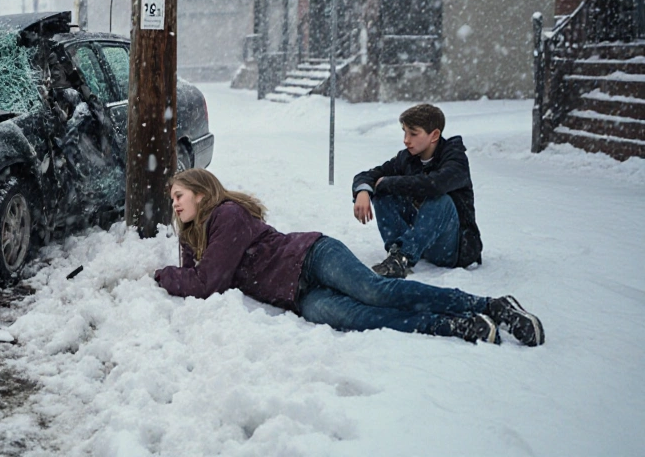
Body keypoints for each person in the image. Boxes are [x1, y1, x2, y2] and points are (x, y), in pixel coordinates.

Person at [154, 168, 543, 346]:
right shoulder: (194, 232)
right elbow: (199, 277)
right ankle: (456, 326)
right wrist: (182, 264)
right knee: (359, 318)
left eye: (179, 197)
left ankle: (491, 305)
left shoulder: (227, 215)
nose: (174, 204)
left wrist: (162, 276)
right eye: (172, 198)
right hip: (295, 295)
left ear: (201, 194)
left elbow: (206, 283)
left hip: (310, 256)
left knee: (376, 292)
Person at [352, 103, 482, 279]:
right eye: (404, 132)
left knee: (440, 200)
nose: (406, 140)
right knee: (382, 191)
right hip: (422, 242)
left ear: (434, 135)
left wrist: (387, 182)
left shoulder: (455, 159)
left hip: (453, 249)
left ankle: (403, 257)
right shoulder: (407, 157)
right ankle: (396, 253)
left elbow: (435, 184)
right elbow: (371, 175)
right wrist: (363, 192)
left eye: (413, 134)